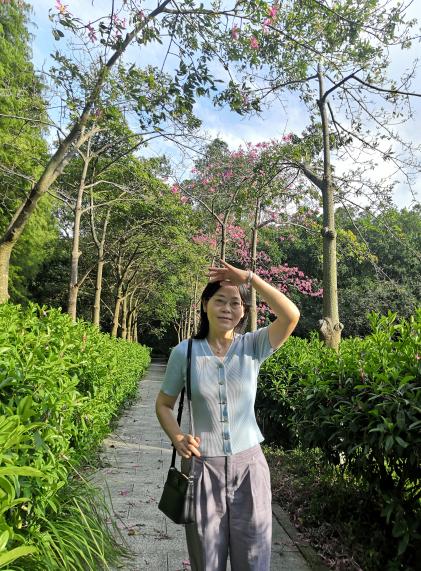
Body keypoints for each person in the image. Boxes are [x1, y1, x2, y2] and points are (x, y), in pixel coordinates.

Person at [155, 260, 300, 571]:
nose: (227, 308)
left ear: (243, 312)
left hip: (250, 469)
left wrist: (250, 278)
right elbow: (164, 404)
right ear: (205, 305)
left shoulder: (253, 346)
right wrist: (177, 437)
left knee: (254, 559)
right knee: (207, 561)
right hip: (202, 469)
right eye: (220, 300)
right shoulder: (184, 352)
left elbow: (291, 315)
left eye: (235, 303)